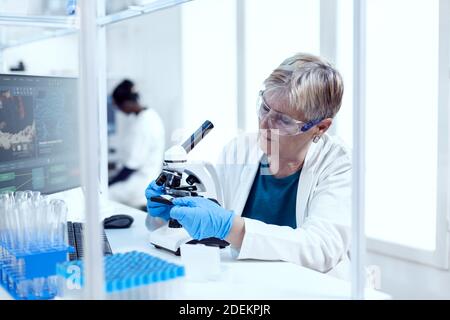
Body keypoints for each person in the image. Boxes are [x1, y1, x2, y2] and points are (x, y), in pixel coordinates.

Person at [145, 53, 351, 277]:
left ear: (320, 127)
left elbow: (321, 248)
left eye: (283, 120)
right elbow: (208, 232)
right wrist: (170, 215)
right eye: (264, 107)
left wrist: (232, 228)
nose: (264, 124)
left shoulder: (340, 164)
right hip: (249, 285)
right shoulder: (239, 149)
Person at [109, 79, 165, 210]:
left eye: (118, 106)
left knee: (103, 195)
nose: (119, 110)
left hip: (138, 186)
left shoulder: (143, 124)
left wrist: (109, 182)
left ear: (127, 103)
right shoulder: (150, 115)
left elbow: (131, 166)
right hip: (147, 179)